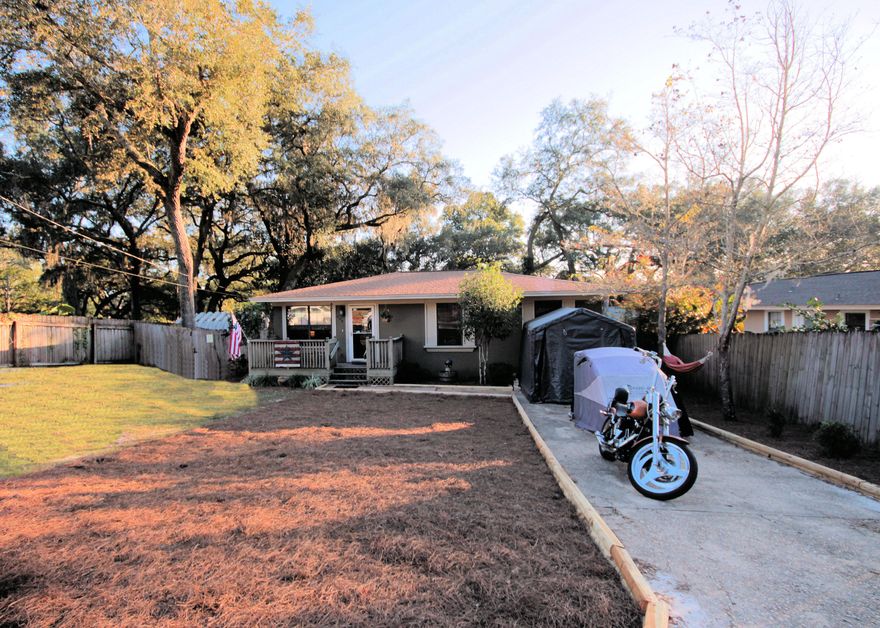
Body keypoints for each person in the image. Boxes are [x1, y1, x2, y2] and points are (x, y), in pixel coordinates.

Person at [660, 343, 713, 438]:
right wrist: (702, 361)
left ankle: (681, 430)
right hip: (667, 388)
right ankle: (681, 430)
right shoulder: (670, 360)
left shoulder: (669, 360)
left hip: (670, 389)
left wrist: (701, 361)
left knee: (674, 409)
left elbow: (684, 367)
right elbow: (684, 367)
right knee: (674, 409)